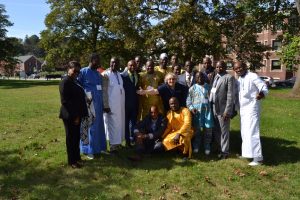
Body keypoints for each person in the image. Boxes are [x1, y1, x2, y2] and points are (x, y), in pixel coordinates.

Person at [233, 61, 268, 166]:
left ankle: (258, 158)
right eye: (236, 69)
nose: (238, 70)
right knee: (245, 133)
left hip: (252, 108)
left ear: (244, 67)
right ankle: (247, 153)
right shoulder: (239, 79)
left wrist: (261, 94)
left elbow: (263, 86)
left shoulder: (252, 76)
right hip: (243, 110)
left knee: (252, 132)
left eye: (240, 67)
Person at [78, 53, 108, 159]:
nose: (99, 63)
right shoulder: (83, 72)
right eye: (97, 61)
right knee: (89, 127)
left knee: (99, 126)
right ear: (91, 60)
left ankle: (99, 148)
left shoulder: (98, 73)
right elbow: (78, 86)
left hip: (98, 104)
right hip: (88, 104)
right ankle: (88, 150)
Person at [59, 61, 88, 168]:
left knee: (76, 138)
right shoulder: (65, 82)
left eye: (78, 71)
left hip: (78, 114)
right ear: (69, 69)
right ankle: (72, 161)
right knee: (71, 138)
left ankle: (77, 158)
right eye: (75, 70)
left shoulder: (75, 81)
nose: (77, 73)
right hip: (69, 115)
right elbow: (65, 101)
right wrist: (75, 115)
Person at [210, 61, 235, 159]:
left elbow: (230, 96)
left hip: (223, 109)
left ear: (225, 67)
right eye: (217, 67)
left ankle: (225, 152)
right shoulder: (216, 76)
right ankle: (219, 147)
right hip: (213, 107)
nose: (219, 68)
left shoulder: (229, 78)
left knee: (224, 131)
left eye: (221, 67)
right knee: (216, 129)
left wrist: (227, 111)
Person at [186, 71, 214, 155]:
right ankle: (196, 146)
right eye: (197, 77)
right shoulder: (192, 88)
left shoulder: (208, 87)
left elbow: (212, 99)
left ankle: (207, 146)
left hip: (207, 112)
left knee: (208, 130)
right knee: (197, 130)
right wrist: (191, 108)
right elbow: (188, 100)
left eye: (201, 77)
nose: (200, 78)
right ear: (195, 78)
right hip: (197, 113)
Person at [103, 57, 126, 152]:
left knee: (119, 124)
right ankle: (112, 146)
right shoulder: (105, 74)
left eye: (116, 63)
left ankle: (118, 143)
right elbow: (104, 91)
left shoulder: (118, 74)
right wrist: (106, 105)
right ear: (109, 63)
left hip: (119, 105)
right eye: (112, 62)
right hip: (111, 105)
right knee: (112, 125)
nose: (114, 64)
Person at [121, 60, 139, 147]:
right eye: (130, 65)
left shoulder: (138, 75)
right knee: (126, 124)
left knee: (134, 124)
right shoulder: (122, 76)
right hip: (125, 104)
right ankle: (127, 142)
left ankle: (133, 140)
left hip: (135, 104)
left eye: (134, 65)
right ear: (127, 66)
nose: (132, 67)